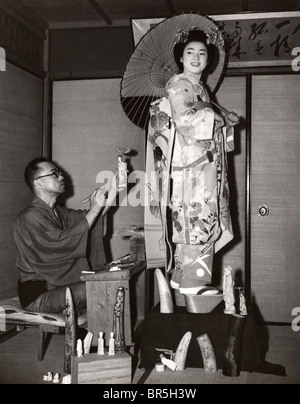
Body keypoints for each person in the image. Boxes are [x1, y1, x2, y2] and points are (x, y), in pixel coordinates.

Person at [164, 28, 239, 295]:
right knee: (198, 220)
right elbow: (185, 119)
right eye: (190, 53)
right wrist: (212, 115)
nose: (196, 57)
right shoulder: (179, 84)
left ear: (208, 60)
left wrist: (220, 115)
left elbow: (206, 112)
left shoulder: (200, 87)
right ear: (181, 58)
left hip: (203, 166)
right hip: (192, 168)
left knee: (199, 216)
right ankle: (194, 281)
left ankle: (181, 275)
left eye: (202, 53)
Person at [14, 157, 117, 314]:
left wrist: (114, 190)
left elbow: (91, 221)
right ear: (38, 182)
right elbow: (61, 243)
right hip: (38, 295)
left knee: (105, 284)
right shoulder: (29, 218)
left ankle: (98, 335)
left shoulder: (59, 212)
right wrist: (95, 208)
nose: (61, 177)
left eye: (59, 173)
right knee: (96, 289)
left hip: (57, 287)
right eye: (54, 173)